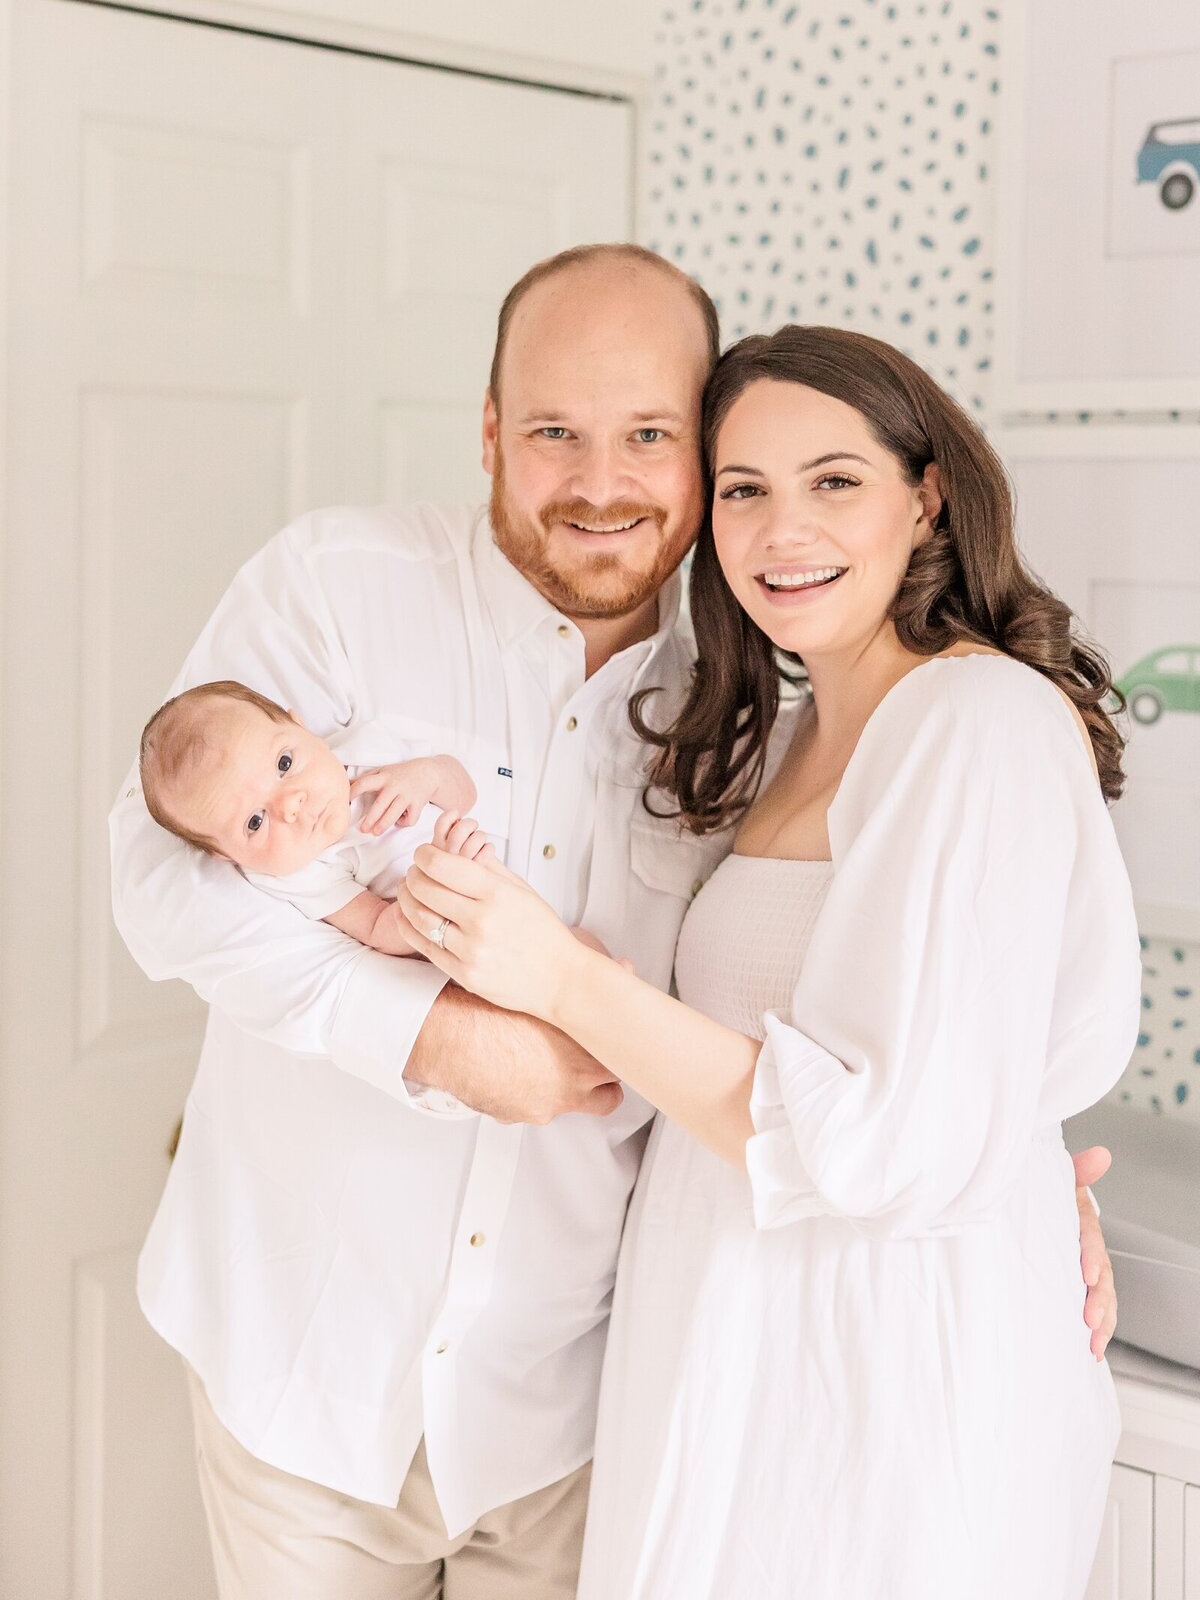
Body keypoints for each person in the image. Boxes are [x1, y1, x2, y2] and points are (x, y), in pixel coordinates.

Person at [109, 254, 1116, 1599]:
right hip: (310, 1370)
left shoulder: (758, 690)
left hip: (582, 1405)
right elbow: (162, 874)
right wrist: (434, 1037)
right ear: (487, 431)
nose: (600, 481)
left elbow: (899, 1023)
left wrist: (1011, 1175)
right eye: (552, 434)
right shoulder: (337, 588)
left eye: (650, 436)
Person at [397, 324, 1141, 1600]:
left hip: (886, 1378)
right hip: (728, 1338)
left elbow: (892, 1140)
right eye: (744, 489)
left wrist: (562, 978)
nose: (781, 529)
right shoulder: (793, 733)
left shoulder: (975, 723)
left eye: (833, 480)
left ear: (926, 497)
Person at [138, 678, 492, 959]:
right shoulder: (301, 873)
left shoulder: (372, 749)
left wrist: (428, 776)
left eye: (284, 764)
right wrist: (436, 892)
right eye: (255, 822)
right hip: (455, 930)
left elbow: (467, 793)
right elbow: (375, 926)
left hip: (503, 882)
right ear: (227, 855)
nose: (291, 805)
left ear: (301, 727)